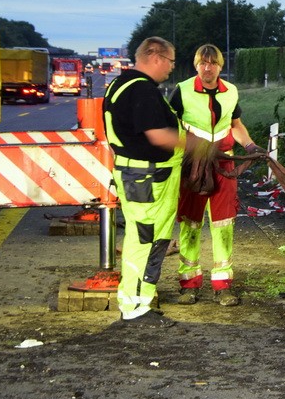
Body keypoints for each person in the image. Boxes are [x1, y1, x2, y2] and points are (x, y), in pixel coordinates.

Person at [170, 44, 263, 307]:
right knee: (190, 222)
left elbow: (236, 125)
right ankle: (189, 284)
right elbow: (170, 126)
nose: (207, 68)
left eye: (213, 63)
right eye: (203, 63)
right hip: (193, 164)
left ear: (220, 66)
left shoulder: (231, 91)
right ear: (196, 65)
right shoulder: (183, 91)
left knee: (224, 223)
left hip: (223, 164)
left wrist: (250, 146)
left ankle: (223, 286)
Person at [102, 37, 184, 327]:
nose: (171, 69)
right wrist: (202, 146)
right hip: (148, 178)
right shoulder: (142, 90)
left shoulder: (121, 84)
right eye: (171, 62)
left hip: (139, 175)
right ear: (155, 56)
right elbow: (158, 136)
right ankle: (135, 306)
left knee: (152, 239)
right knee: (145, 239)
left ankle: (141, 299)